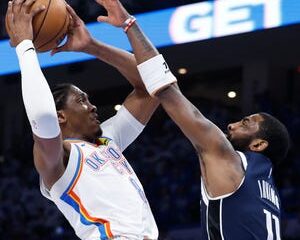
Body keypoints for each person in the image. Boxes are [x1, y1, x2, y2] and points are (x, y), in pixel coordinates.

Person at [94, 0, 290, 239]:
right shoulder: (268, 191)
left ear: (258, 145)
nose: (232, 124)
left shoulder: (232, 161)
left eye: (246, 123)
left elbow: (165, 90)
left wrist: (128, 24)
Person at [6, 0, 159, 239]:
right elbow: (43, 116)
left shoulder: (108, 141)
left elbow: (150, 86)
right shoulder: (58, 159)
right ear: (61, 116)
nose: (92, 106)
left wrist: (93, 46)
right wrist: (25, 46)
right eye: (81, 101)